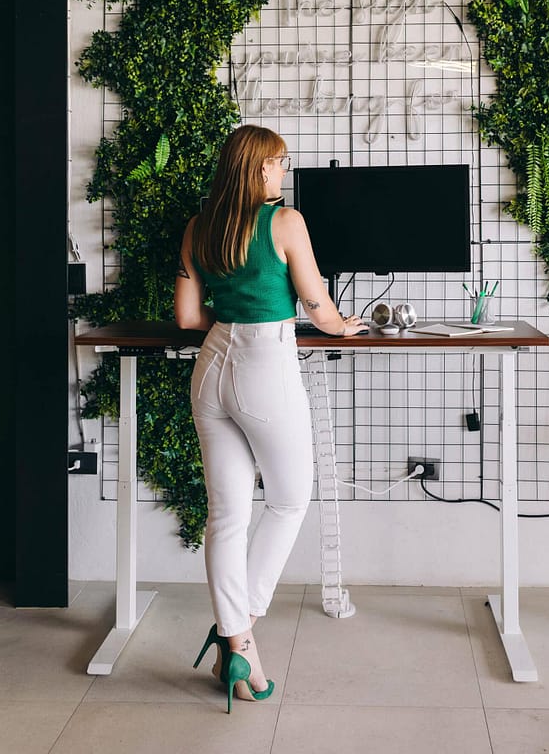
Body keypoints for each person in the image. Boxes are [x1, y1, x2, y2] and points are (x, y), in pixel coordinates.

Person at [174, 124, 366, 713]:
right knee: (287, 501)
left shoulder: (198, 227)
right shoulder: (286, 222)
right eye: (281, 161)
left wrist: (230, 334)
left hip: (210, 369)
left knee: (226, 516)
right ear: (260, 168)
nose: (285, 170)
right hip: (266, 364)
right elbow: (315, 303)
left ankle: (237, 644)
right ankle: (241, 631)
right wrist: (342, 326)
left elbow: (186, 318)